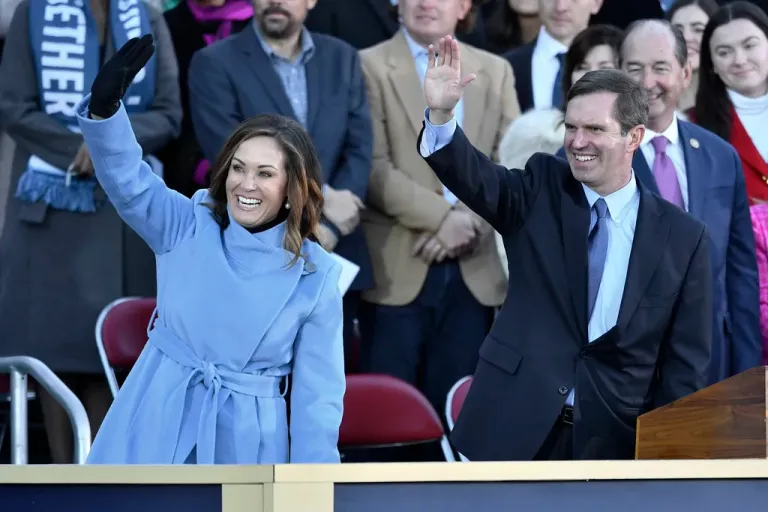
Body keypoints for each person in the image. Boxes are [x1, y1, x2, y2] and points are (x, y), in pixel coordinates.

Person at [419, 37, 712, 461]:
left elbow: (685, 367)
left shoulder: (683, 238)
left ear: (634, 137)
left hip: (613, 444)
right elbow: (475, 177)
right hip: (511, 426)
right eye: (571, 128)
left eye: (595, 129)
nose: (577, 142)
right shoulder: (540, 187)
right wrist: (442, 115)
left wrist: (668, 459)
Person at [76, 35, 345, 464]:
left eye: (265, 174)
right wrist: (105, 112)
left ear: (292, 189)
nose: (246, 185)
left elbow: (318, 400)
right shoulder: (189, 222)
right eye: (238, 168)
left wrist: (310, 486)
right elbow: (129, 182)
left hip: (247, 443)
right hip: (155, 416)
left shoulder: (316, 275)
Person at [0, 0, 181, 463]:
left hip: (123, 216)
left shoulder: (146, 14)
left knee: (108, 358)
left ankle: (105, 475)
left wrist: (106, 138)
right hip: (49, 210)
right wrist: (84, 144)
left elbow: (169, 114)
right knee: (53, 354)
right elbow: (13, 106)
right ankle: (66, 476)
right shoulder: (32, 11)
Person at [357, 0, 516, 426]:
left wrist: (468, 221)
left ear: (464, 6)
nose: (426, 3)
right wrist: (443, 219)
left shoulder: (496, 71)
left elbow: (510, 163)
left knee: (460, 420)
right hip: (396, 268)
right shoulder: (366, 65)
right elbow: (370, 166)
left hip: (475, 268)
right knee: (387, 424)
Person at [619, 19, 760, 384]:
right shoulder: (593, 153)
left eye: (660, 68)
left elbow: (740, 273)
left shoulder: (720, 155)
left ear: (685, 74)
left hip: (712, 360)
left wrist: (747, 372)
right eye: (634, 69)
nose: (647, 82)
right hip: (626, 369)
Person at [497, 23, 623, 277]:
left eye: (604, 67)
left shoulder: (648, 140)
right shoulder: (532, 140)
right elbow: (513, 221)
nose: (591, 76)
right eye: (581, 67)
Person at [692, 1, 768, 204]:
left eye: (749, 45)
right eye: (724, 52)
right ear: (712, 65)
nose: (740, 60)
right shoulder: (693, 127)